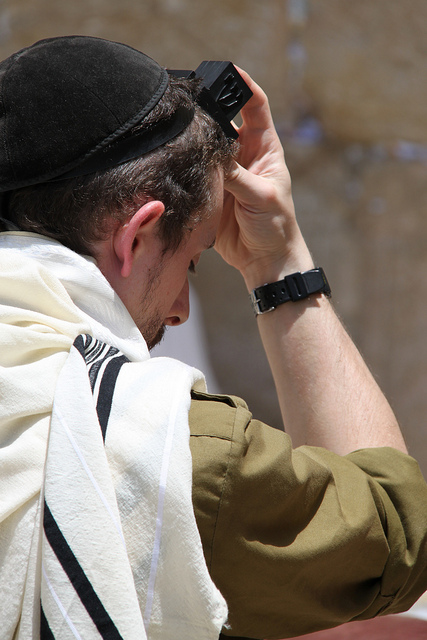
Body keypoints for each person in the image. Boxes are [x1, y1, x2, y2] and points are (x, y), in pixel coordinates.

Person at [0, 35, 426, 640]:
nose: (177, 311)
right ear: (137, 237)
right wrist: (277, 264)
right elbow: (394, 541)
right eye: (193, 262)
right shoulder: (170, 455)